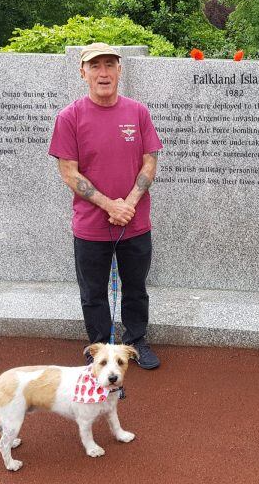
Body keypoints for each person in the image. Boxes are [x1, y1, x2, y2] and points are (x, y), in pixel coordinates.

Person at [49, 42, 163, 369]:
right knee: (93, 293)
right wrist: (108, 205)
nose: (104, 73)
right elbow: (69, 172)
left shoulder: (138, 112)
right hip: (90, 226)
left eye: (110, 65)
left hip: (135, 223)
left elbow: (149, 162)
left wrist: (128, 204)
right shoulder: (69, 117)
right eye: (95, 66)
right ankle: (99, 349)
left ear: (119, 70)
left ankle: (135, 340)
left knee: (136, 288)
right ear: (82, 72)